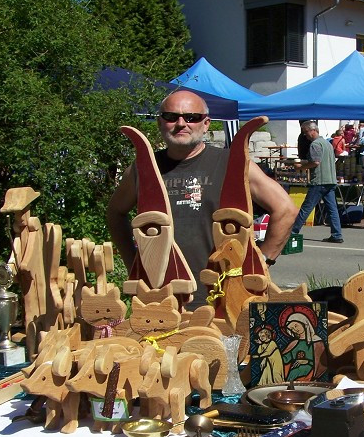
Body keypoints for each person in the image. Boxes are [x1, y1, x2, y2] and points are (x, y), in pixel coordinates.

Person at [107, 90, 297, 304]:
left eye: (191, 117)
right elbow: (115, 212)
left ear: (206, 124)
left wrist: (262, 260)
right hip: (160, 298)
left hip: (224, 296)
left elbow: (286, 210)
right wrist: (133, 261)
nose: (181, 123)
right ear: (160, 122)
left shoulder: (232, 164)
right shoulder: (143, 168)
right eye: (171, 117)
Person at [291, 121, 343, 244]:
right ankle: (337, 234)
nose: (305, 135)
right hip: (330, 179)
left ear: (313, 130)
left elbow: (315, 162)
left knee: (306, 207)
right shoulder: (327, 143)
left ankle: (293, 231)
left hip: (319, 180)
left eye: (306, 132)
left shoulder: (315, 144)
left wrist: (300, 167)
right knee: (332, 209)